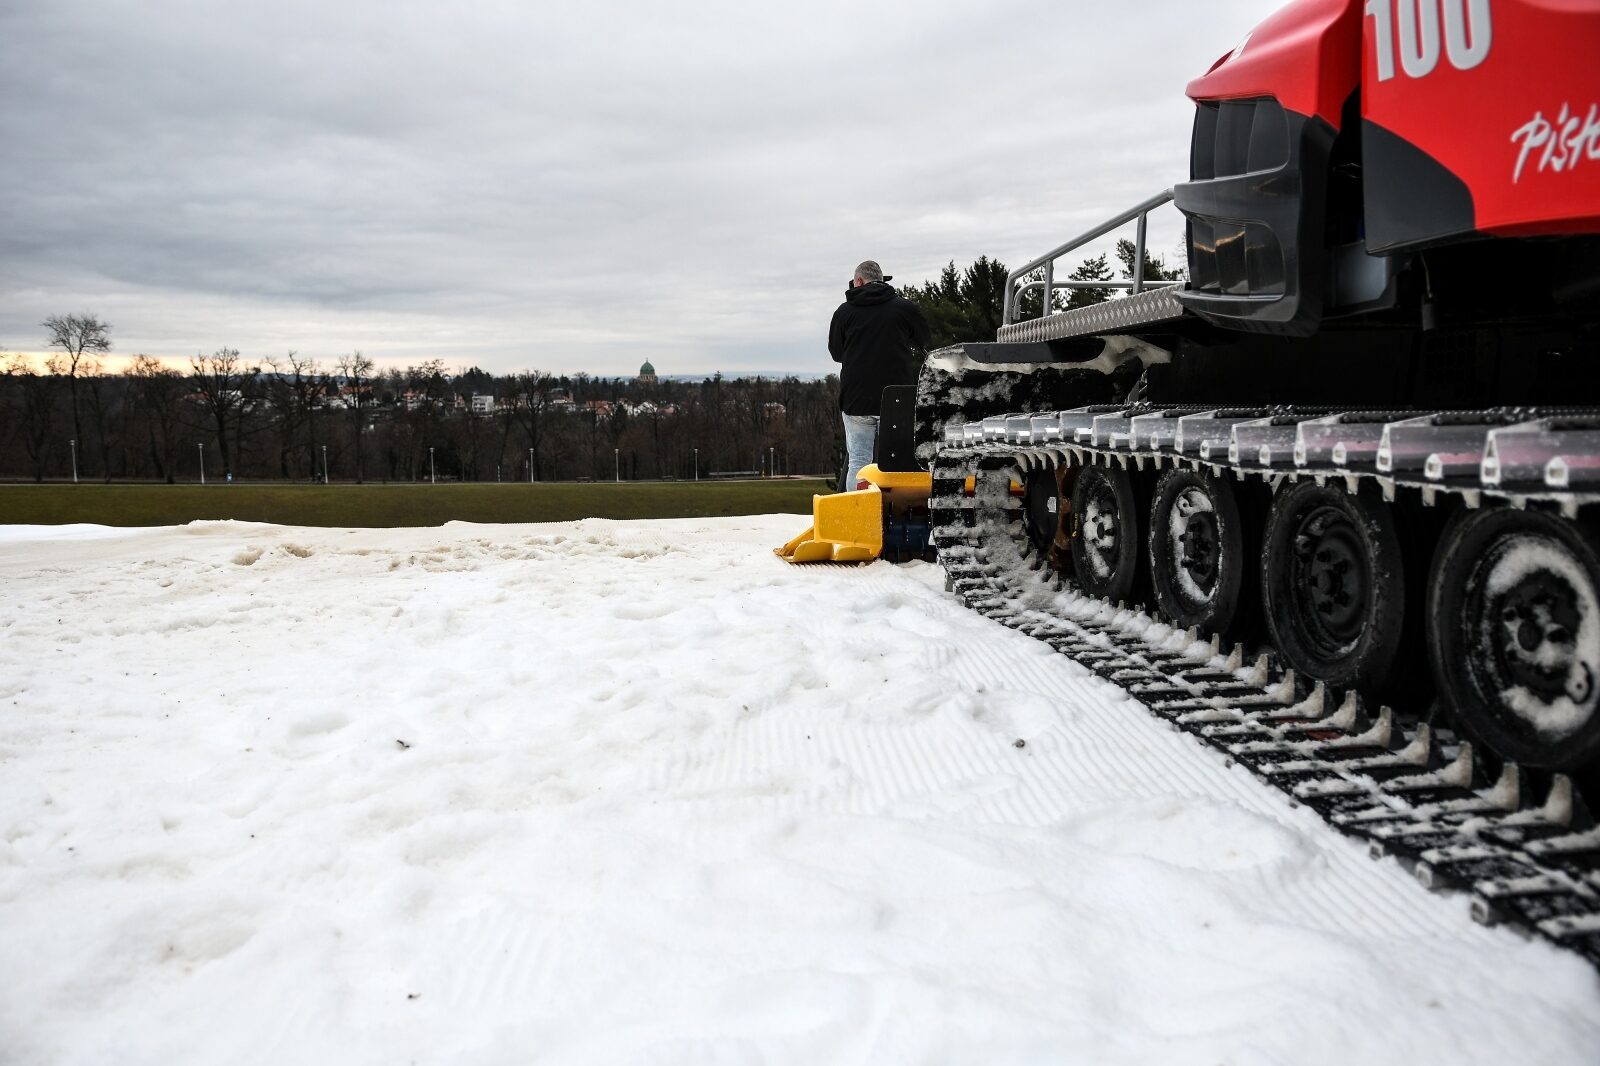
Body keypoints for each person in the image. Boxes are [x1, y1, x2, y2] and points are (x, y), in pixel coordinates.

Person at [828, 259, 931, 491]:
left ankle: (857, 513)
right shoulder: (904, 309)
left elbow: (836, 353)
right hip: (896, 397)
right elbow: (924, 340)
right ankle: (896, 512)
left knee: (858, 460)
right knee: (896, 461)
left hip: (856, 399)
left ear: (858, 281)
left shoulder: (844, 313)